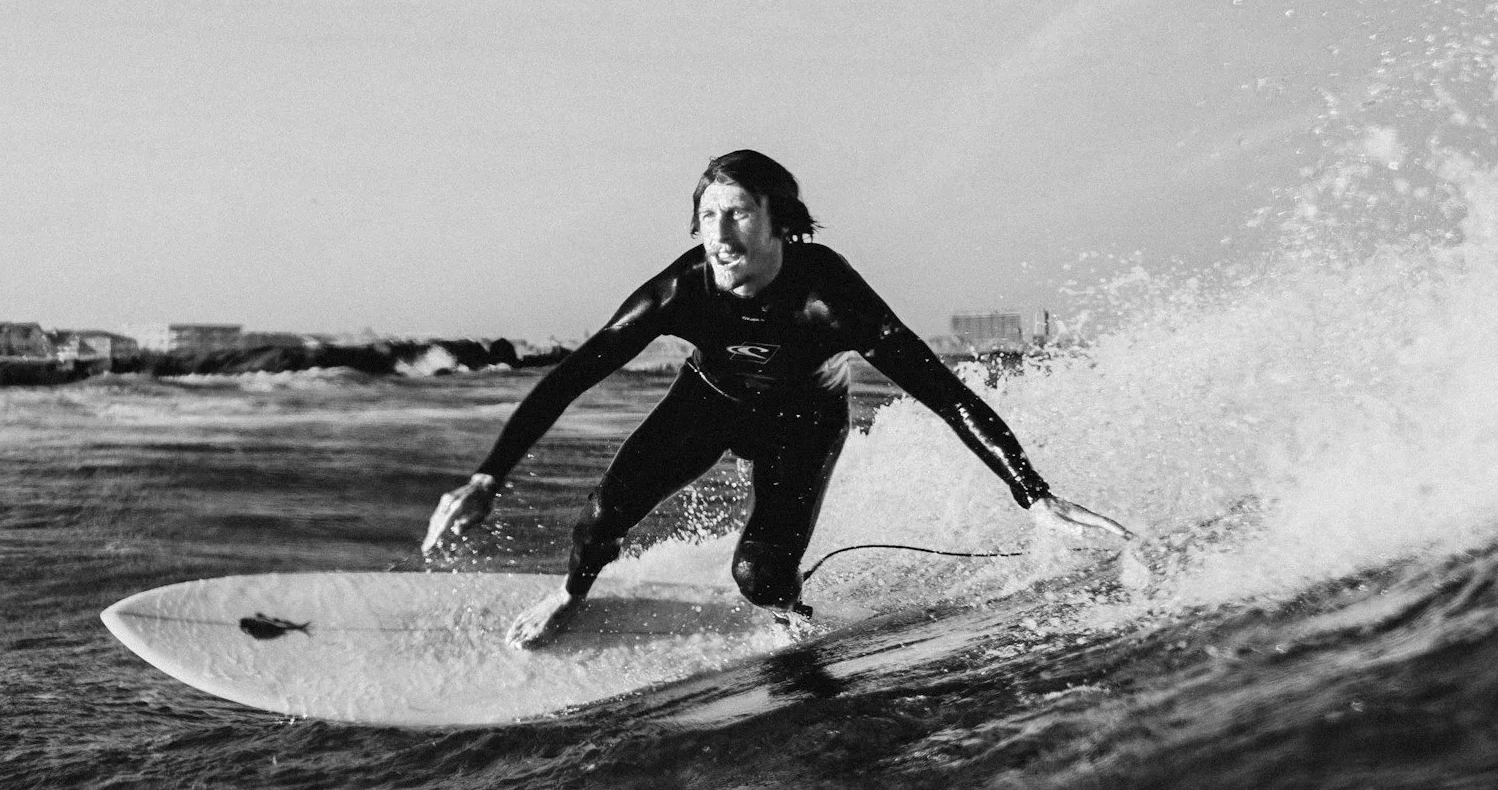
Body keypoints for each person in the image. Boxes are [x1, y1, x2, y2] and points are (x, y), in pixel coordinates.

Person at [420, 150, 1129, 647]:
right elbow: (572, 376)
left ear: (776, 218)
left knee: (759, 579)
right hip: (707, 402)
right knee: (603, 513)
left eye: (738, 215)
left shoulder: (831, 298)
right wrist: (489, 475)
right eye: (706, 217)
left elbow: (943, 393)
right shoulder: (676, 291)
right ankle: (571, 597)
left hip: (804, 421)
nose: (720, 237)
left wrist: (1033, 494)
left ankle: (790, 611)